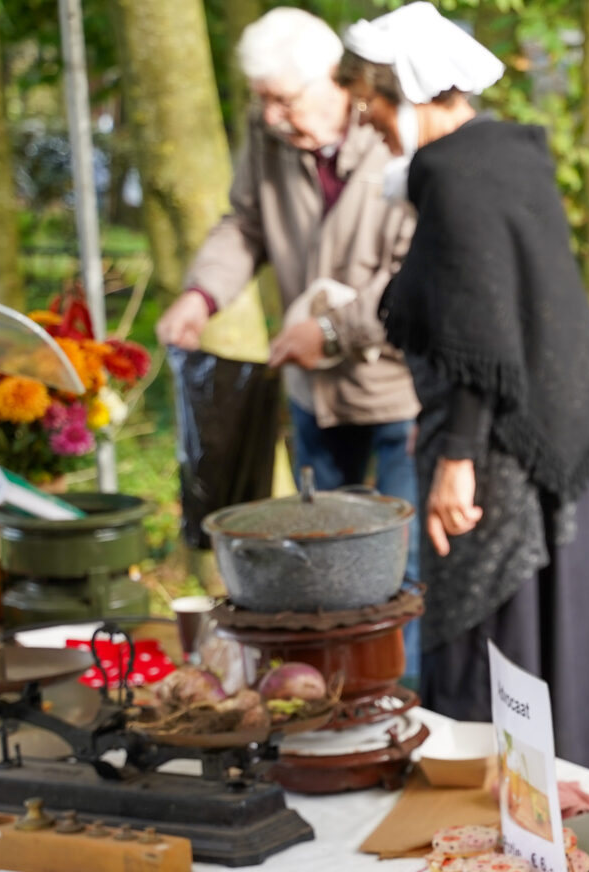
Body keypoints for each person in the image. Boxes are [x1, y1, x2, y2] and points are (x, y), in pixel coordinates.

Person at [335, 3, 589, 771]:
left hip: (507, 446)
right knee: (559, 641)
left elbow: (479, 334)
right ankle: (560, 804)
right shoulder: (505, 159)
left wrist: (455, 458)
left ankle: (497, 807)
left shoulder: (457, 176)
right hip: (563, 429)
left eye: (373, 109)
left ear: (408, 93)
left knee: (496, 638)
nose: (371, 129)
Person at [157, 6, 421, 672]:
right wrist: (201, 294)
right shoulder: (267, 133)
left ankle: (399, 694)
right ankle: (318, 693)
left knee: (399, 565)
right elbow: (244, 224)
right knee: (309, 555)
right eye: (262, 100)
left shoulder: (394, 128)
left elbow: (414, 274)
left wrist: (332, 330)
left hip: (397, 390)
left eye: (283, 99)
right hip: (314, 394)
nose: (272, 115)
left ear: (332, 80)